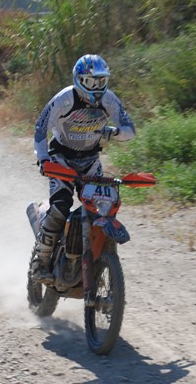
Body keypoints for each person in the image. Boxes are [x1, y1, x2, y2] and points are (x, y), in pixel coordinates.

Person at [31, 54, 136, 282]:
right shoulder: (64, 99)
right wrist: (43, 158)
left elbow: (129, 128)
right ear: (79, 79)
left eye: (101, 81)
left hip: (90, 161)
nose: (97, 88)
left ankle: (96, 258)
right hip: (62, 159)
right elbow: (41, 127)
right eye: (91, 82)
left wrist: (116, 132)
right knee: (60, 207)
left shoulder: (109, 99)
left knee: (101, 208)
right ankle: (41, 260)